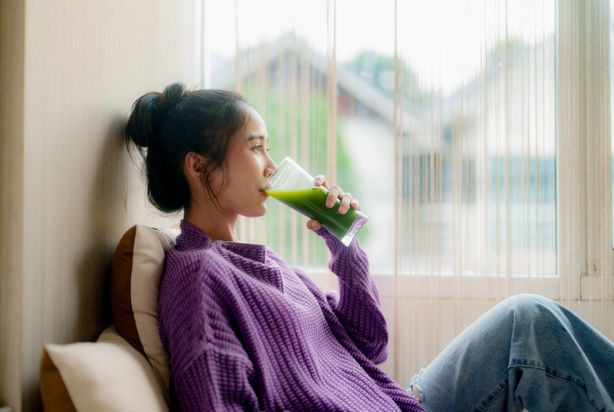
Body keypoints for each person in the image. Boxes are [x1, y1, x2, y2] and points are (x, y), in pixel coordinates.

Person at [125, 83, 614, 412]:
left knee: (526, 319)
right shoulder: (199, 278)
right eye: (255, 148)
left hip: (394, 399)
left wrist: (344, 246)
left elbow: (370, 347)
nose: (271, 165)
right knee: (527, 321)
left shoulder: (264, 261)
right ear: (197, 166)